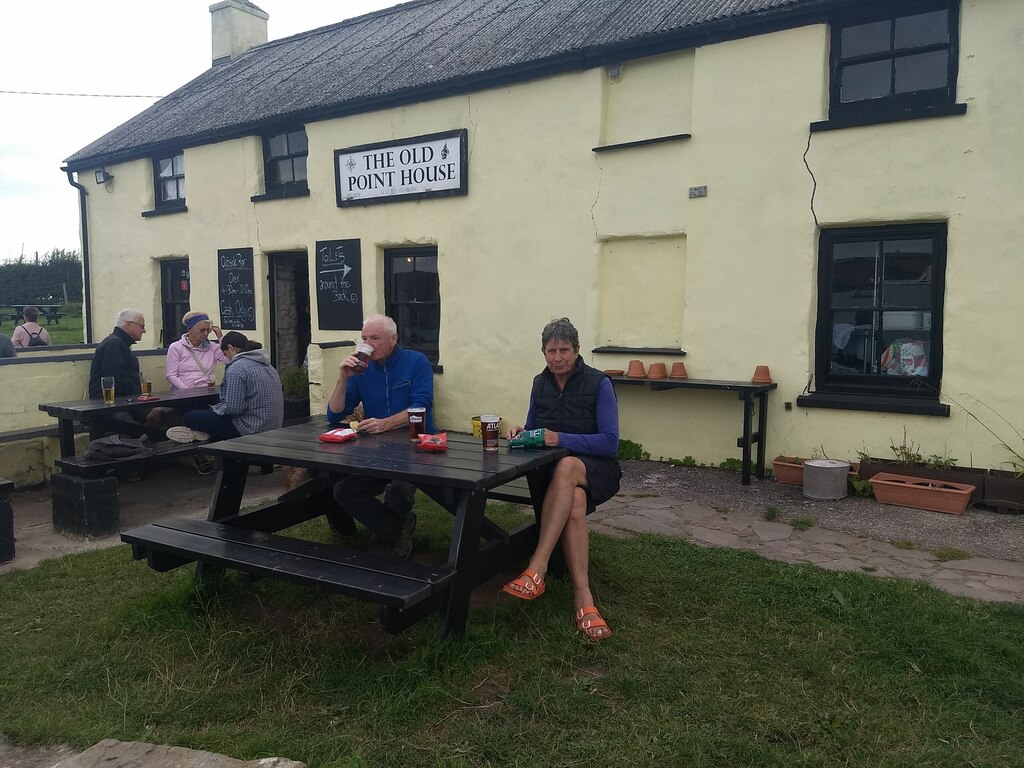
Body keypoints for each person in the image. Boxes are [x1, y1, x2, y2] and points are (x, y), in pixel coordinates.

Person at [501, 318, 621, 641]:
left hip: (597, 468)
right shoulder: (540, 384)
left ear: (577, 350)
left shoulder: (599, 383)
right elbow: (532, 427)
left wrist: (559, 439)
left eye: (564, 350)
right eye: (551, 350)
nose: (557, 357)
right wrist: (521, 433)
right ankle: (584, 598)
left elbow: (611, 442)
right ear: (543, 352)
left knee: (568, 465)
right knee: (575, 501)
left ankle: (537, 565)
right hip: (558, 476)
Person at [325, 314, 435, 559]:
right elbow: (334, 414)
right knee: (343, 490)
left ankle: (387, 535)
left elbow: (422, 406)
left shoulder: (416, 361)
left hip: (418, 445)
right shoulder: (361, 369)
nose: (368, 344)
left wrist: (386, 423)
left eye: (375, 338)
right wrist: (343, 378)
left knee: (398, 488)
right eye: (364, 338)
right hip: (377, 448)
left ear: (393, 339)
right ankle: (396, 529)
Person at [168, 331, 283, 473]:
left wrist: (215, 410)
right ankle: (207, 433)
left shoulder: (237, 368)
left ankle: (206, 434)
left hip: (249, 428)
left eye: (225, 354)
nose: (227, 358)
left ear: (231, 348)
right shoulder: (268, 366)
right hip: (273, 425)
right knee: (211, 416)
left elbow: (234, 408)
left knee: (190, 416)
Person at [165, 310, 227, 389]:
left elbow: (228, 361)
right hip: (183, 394)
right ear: (190, 330)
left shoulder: (213, 347)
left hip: (207, 391)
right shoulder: (176, 347)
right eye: (202, 330)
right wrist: (187, 391)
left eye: (208, 330)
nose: (205, 333)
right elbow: (171, 375)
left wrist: (221, 338)